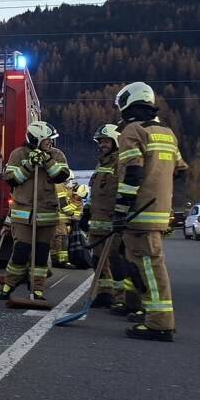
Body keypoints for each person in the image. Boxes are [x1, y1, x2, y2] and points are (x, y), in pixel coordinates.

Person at [113, 82, 188, 342]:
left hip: (139, 212)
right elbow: (180, 170)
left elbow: (132, 173)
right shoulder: (167, 133)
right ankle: (150, 313)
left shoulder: (132, 131)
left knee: (148, 265)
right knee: (144, 264)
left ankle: (159, 322)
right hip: (158, 210)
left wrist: (120, 210)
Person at [0, 121, 71, 303]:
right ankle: (9, 284)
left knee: (41, 253)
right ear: (37, 138)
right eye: (48, 140)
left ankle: (37, 288)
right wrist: (29, 165)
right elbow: (12, 179)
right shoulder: (18, 154)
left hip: (47, 214)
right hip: (23, 214)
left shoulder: (57, 155)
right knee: (20, 251)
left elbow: (61, 176)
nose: (51, 144)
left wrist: (47, 160)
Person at [86, 124, 124, 309]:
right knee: (98, 260)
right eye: (100, 142)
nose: (102, 145)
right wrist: (86, 211)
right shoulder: (101, 163)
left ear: (116, 141)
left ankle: (121, 298)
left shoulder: (121, 163)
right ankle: (104, 293)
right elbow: (95, 191)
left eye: (106, 141)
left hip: (114, 222)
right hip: (97, 223)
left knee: (116, 260)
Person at [51, 179, 81, 269]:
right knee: (61, 240)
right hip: (60, 220)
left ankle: (55, 260)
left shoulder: (64, 188)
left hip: (59, 220)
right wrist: (72, 214)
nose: (69, 184)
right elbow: (63, 204)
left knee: (56, 240)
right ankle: (62, 261)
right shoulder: (59, 186)